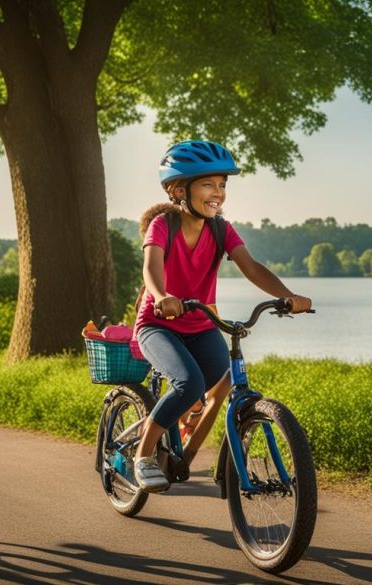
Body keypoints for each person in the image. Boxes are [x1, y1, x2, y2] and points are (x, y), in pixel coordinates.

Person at [133, 141, 312, 493]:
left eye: (222, 185)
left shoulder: (220, 229)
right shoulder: (162, 225)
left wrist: (286, 296)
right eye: (208, 185)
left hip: (200, 324)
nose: (218, 193)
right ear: (178, 189)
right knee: (189, 384)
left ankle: (184, 449)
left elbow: (251, 267)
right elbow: (151, 268)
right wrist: (162, 296)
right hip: (158, 325)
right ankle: (143, 454)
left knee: (221, 378)